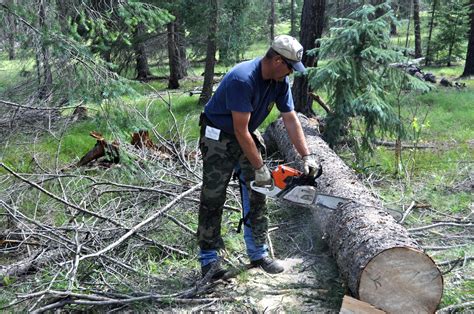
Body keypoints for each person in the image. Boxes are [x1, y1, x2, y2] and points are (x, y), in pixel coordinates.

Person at [197, 35, 319, 279]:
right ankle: (208, 260)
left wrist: (307, 155)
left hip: (244, 131)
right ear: (276, 60)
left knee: (259, 191)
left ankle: (258, 252)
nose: (290, 74)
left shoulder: (279, 81)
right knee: (214, 194)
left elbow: (290, 118)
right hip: (218, 135)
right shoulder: (243, 79)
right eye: (289, 68)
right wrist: (260, 166)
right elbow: (240, 132)